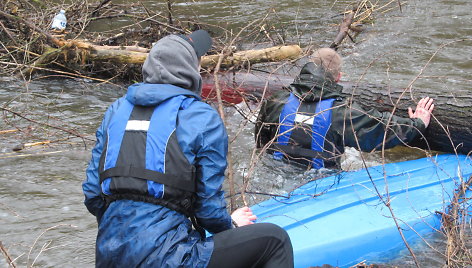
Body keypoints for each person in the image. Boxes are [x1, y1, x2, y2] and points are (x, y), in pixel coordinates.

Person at [82, 30, 293, 267]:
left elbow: (93, 195)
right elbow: (208, 212)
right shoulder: (201, 116)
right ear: (190, 69)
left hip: (109, 256)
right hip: (169, 258)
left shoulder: (116, 110)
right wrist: (231, 226)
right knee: (275, 239)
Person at [255, 47, 434, 169]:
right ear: (338, 77)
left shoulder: (276, 101)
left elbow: (259, 142)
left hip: (273, 172)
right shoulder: (342, 111)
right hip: (319, 183)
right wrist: (417, 123)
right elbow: (382, 130)